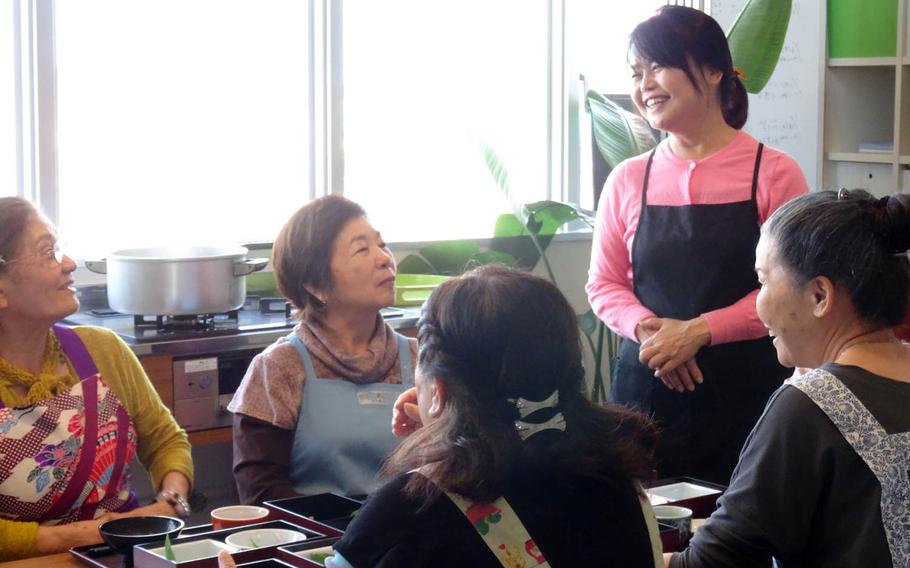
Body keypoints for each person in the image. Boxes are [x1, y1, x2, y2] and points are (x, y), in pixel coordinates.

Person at [586, 5, 808, 484]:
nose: (644, 84)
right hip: (645, 395)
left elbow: (791, 288)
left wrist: (700, 331)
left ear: (712, 71)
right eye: (635, 72)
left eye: (658, 66)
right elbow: (604, 284)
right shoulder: (627, 178)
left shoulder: (773, 172)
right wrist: (654, 333)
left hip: (743, 394)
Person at [322, 265, 662, 567]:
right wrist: (447, 433)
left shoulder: (408, 512)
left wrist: (440, 446)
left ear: (438, 391)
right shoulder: (621, 483)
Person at [668, 189, 910, 567]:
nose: (760, 303)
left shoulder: (812, 406)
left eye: (763, 281)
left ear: (818, 296)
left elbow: (715, 562)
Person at [0, 197, 193, 561]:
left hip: (125, 555)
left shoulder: (103, 350)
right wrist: (97, 531)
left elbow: (166, 439)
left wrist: (171, 499)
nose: (69, 264)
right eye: (48, 253)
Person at [228, 196, 417, 503]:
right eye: (362, 249)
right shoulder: (279, 367)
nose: (384, 258)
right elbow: (261, 493)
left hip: (406, 538)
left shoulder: (420, 358)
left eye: (382, 245)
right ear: (316, 286)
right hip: (314, 541)